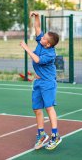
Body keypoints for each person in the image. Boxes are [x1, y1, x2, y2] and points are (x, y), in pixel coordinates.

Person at [19, 11, 61, 150]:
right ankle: (42, 135)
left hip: (48, 82)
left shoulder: (50, 54)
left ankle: (55, 136)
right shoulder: (42, 43)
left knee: (49, 107)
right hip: (38, 81)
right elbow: (37, 28)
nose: (41, 37)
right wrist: (36, 16)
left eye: (44, 38)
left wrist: (26, 48)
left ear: (48, 44)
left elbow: (36, 59)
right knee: (37, 109)